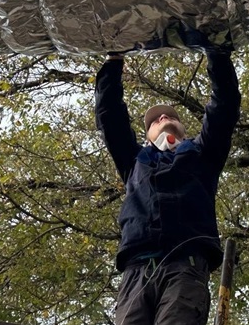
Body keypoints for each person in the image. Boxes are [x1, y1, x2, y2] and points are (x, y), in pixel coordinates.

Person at [95, 47, 241, 325]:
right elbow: (109, 116)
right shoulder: (135, 161)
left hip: (185, 267)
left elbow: (224, 106)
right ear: (146, 135)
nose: (163, 118)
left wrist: (216, 52)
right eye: (154, 120)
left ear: (183, 129)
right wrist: (114, 62)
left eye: (169, 116)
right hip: (136, 271)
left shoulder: (203, 154)